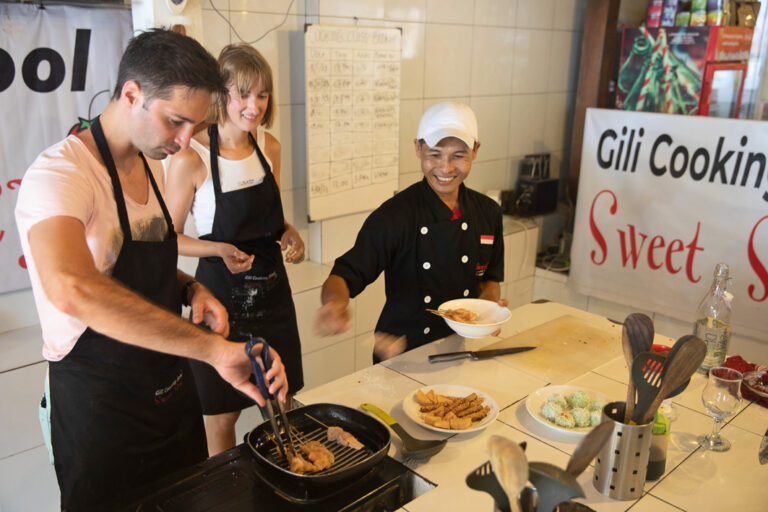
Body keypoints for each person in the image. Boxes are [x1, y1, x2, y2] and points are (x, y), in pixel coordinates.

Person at [14, 30, 288, 511]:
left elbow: (141, 263)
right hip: (102, 409)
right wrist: (213, 351)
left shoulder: (154, 165)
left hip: (170, 394)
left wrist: (191, 288)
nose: (184, 142)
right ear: (131, 94)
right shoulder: (60, 174)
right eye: (176, 121)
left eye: (194, 125)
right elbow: (74, 287)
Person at [165, 43, 305, 456]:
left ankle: (290, 477)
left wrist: (289, 233)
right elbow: (168, 238)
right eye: (243, 94)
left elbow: (272, 219)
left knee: (281, 404)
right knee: (222, 415)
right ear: (220, 94)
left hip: (273, 298)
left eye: (262, 95)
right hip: (220, 303)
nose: (254, 105)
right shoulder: (192, 158)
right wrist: (218, 249)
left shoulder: (269, 146)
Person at [314, 102, 505, 361]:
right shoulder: (395, 216)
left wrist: (489, 310)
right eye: (435, 154)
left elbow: (490, 279)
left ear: (475, 150)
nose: (446, 168)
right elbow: (343, 276)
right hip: (401, 351)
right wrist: (334, 305)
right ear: (418, 148)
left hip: (460, 348)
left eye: (459, 156)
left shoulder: (488, 213)